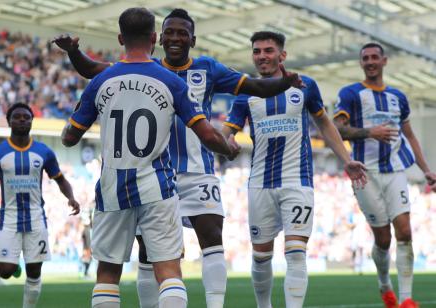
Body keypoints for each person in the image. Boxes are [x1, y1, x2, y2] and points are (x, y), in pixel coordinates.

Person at [53, 8, 303, 308]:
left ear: (192, 40)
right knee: (154, 256)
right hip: (159, 176)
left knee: (210, 236)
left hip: (194, 172)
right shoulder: (154, 71)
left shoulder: (207, 68)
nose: (175, 38)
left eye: (182, 33)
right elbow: (92, 68)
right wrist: (75, 52)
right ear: (156, 38)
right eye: (169, 32)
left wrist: (283, 83)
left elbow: (255, 86)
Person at [222, 31, 367, 308]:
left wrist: (345, 159)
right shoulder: (245, 94)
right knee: (261, 256)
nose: (262, 56)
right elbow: (227, 132)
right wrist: (226, 144)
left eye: (268, 50)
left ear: (282, 55)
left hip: (297, 181)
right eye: (257, 51)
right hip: (259, 184)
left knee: (296, 253)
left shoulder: (305, 85)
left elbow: (324, 123)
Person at [333, 42, 436, 308]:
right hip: (365, 174)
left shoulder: (398, 97)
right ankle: (384, 285)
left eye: (374, 57)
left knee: (404, 231)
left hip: (395, 172)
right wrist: (369, 132)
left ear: (384, 61)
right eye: (365, 58)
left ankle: (406, 300)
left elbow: (409, 135)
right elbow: (337, 129)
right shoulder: (351, 94)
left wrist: (426, 170)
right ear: (361, 63)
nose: (370, 61)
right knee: (383, 238)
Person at [0, 102, 80, 308]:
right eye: (17, 117)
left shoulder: (44, 152)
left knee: (34, 272)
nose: (22, 120)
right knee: (4, 271)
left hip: (36, 218)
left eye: (26, 117)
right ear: (9, 122)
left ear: (32, 121)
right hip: (9, 218)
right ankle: (13, 266)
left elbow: (60, 179)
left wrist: (71, 197)